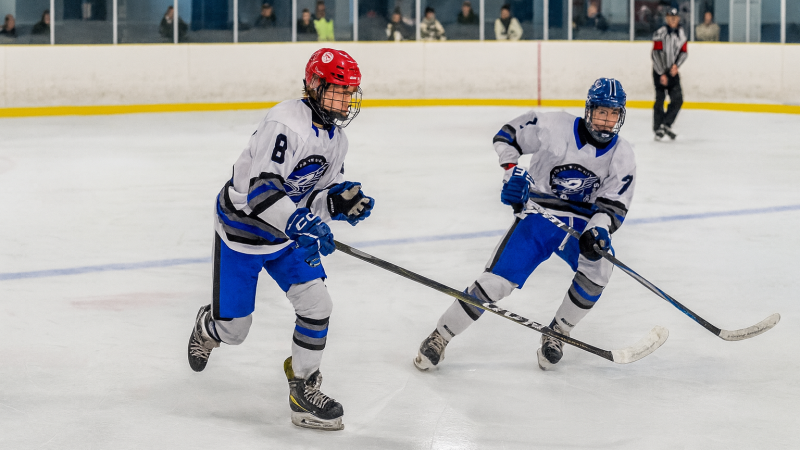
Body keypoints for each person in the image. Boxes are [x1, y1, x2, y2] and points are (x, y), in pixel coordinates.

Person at [187, 48, 374, 432]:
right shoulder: (286, 123)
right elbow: (260, 195)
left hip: (285, 234)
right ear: (315, 85)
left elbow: (310, 196)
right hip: (242, 234)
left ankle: (303, 387)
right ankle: (210, 327)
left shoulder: (337, 142)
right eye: (338, 90)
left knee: (318, 305)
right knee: (235, 331)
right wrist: (302, 221)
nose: (345, 100)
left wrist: (337, 203)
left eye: (349, 91)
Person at [414, 78, 635, 373]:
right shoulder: (553, 126)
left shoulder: (623, 154)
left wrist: (599, 230)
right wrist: (512, 175)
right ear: (589, 110)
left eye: (614, 114)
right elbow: (506, 136)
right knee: (495, 282)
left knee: (600, 268)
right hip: (540, 213)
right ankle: (440, 336)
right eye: (601, 113)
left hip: (583, 221)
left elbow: (613, 205)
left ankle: (558, 332)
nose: (607, 121)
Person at [652, 7, 687, 140]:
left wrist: (676, 66)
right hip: (659, 70)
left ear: (678, 18)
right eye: (670, 17)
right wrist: (662, 73)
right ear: (666, 19)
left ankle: (666, 124)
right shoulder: (659, 33)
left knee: (678, 99)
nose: (673, 20)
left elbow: (684, 52)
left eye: (675, 17)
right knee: (660, 99)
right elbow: (655, 54)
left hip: (672, 71)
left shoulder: (681, 34)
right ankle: (657, 128)